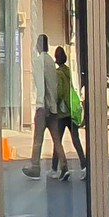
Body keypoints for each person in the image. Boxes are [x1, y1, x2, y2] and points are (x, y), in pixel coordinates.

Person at [22, 35, 62, 179]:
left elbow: (41, 84)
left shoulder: (38, 61)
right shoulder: (51, 62)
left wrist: (42, 105)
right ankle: (63, 167)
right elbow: (53, 85)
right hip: (53, 107)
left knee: (38, 139)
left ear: (39, 45)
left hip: (43, 106)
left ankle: (35, 168)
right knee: (56, 139)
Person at [50, 46, 86, 178]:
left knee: (57, 140)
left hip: (62, 112)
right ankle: (84, 166)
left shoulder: (58, 73)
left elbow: (59, 92)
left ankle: (55, 169)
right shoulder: (68, 71)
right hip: (71, 110)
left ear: (56, 58)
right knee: (76, 140)